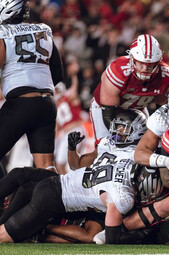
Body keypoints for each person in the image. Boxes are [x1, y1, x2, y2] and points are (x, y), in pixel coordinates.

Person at [0, 109, 149, 243]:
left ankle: (32, 229)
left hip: (83, 195)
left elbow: (94, 237)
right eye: (117, 127)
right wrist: (72, 148)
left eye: (123, 128)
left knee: (27, 192)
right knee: (21, 176)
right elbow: (76, 165)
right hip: (74, 187)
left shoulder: (138, 155)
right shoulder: (107, 145)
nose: (118, 132)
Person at [0, 0, 64, 172]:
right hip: (47, 104)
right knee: (46, 165)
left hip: (20, 104)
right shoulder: (43, 30)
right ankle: (55, 199)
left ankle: (3, 196)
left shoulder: (3, 33)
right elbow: (58, 72)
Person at [89, 34, 169, 146]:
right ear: (132, 59)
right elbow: (108, 115)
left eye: (150, 65)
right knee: (104, 147)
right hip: (105, 110)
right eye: (141, 64)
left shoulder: (165, 75)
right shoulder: (118, 71)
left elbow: (162, 110)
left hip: (137, 111)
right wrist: (121, 135)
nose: (145, 69)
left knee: (149, 146)